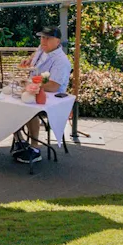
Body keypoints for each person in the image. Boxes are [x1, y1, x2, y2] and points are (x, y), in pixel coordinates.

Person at [12, 25, 72, 164]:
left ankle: (35, 148)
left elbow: (53, 86)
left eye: (48, 38)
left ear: (57, 41)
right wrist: (28, 60)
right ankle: (19, 139)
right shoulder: (43, 49)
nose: (43, 41)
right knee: (10, 101)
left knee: (28, 107)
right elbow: (36, 54)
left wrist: (30, 86)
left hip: (52, 98)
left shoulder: (61, 61)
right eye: (42, 37)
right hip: (34, 89)